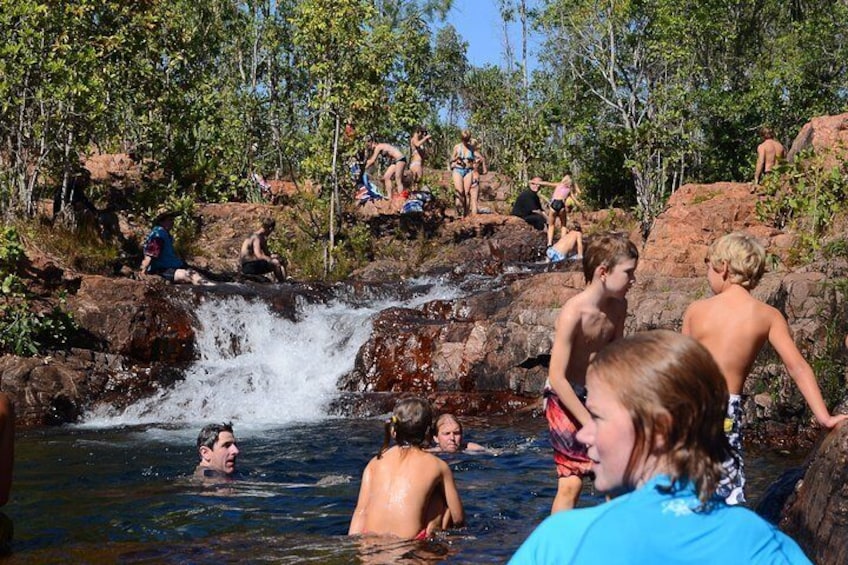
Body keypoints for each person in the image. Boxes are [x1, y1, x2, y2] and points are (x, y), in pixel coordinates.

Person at [509, 331, 811, 564]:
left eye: (598, 418)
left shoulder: (561, 543)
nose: (585, 434)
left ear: (659, 429)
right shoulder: (764, 545)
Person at [682, 232, 848, 505]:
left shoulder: (695, 310)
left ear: (723, 268)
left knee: (685, 483)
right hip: (725, 409)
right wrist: (824, 417)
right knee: (726, 489)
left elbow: (679, 368)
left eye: (708, 267)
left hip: (689, 406)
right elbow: (797, 367)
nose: (707, 275)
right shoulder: (767, 315)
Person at [545, 233, 639, 514]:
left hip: (598, 395)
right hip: (564, 397)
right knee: (571, 483)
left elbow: (615, 359)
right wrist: (589, 423)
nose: (633, 280)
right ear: (603, 272)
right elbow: (557, 377)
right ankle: (558, 541)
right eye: (628, 273)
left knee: (614, 479)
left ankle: (615, 537)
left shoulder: (619, 307)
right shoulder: (574, 312)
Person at [349, 397, 464, 539]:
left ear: (393, 431)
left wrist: (357, 546)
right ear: (428, 432)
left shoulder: (374, 462)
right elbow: (458, 518)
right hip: (411, 544)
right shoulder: (438, 466)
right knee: (440, 501)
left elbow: (360, 512)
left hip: (369, 542)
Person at [139, 211, 209, 285]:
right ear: (161, 222)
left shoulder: (165, 234)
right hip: (163, 269)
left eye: (173, 220)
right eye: (170, 220)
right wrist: (143, 270)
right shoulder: (158, 235)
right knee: (191, 276)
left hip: (173, 265)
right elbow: (150, 254)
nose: (172, 222)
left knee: (199, 274)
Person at [239, 218, 286, 282]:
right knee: (275, 263)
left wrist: (276, 256)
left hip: (253, 264)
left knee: (280, 261)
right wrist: (271, 260)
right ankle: (282, 283)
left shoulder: (262, 238)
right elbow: (259, 255)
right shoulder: (256, 237)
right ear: (270, 228)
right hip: (249, 266)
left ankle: (284, 280)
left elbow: (267, 254)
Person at [545, 175, 579, 247]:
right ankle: (562, 241)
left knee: (551, 225)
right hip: (561, 205)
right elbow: (575, 200)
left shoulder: (558, 184)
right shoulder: (569, 190)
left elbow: (547, 183)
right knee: (563, 225)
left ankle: (549, 243)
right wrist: (582, 209)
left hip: (554, 203)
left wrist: (536, 182)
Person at [449, 130, 477, 216]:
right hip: (458, 169)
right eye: (464, 139)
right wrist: (456, 158)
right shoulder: (457, 147)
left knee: (466, 193)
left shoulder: (471, 148)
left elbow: (474, 160)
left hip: (468, 170)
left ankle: (466, 213)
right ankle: (458, 213)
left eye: (467, 139)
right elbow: (451, 159)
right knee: (459, 191)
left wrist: (474, 163)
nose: (465, 141)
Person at [408, 126, 432, 191]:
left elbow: (430, 146)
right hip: (416, 164)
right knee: (416, 183)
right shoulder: (414, 138)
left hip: (419, 164)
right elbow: (417, 144)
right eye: (422, 133)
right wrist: (425, 138)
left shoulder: (421, 141)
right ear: (419, 132)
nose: (422, 135)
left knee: (417, 184)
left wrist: (428, 140)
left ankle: (415, 195)